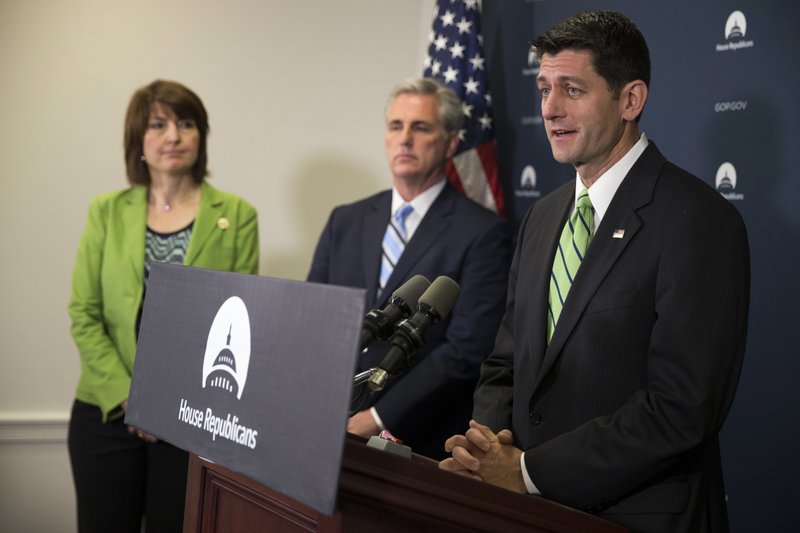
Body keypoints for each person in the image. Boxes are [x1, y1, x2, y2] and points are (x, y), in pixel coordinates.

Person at [440, 10, 750, 533]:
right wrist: (485, 452)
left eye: (572, 90)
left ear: (630, 100)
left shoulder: (697, 219)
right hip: (523, 512)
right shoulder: (542, 216)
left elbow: (682, 408)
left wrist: (527, 472)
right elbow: (504, 363)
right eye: (543, 89)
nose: (551, 109)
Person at [67, 80, 259, 532]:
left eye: (185, 123)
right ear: (139, 140)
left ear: (201, 136)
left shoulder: (238, 215)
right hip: (107, 414)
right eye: (158, 124)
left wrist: (165, 404)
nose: (173, 136)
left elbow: (237, 323)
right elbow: (84, 313)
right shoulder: (106, 211)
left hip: (191, 421)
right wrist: (129, 396)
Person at [308, 77, 512, 460]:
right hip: (326, 423)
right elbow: (313, 320)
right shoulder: (346, 221)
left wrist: (376, 416)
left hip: (417, 440)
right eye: (396, 126)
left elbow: (467, 351)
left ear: (451, 142)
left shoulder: (484, 234)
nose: (405, 139)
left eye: (420, 127)